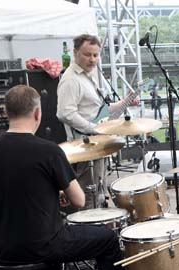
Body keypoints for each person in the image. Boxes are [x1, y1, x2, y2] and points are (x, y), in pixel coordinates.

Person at [0, 85, 128, 270]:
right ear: (38, 113)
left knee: (46, 229)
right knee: (106, 239)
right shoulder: (48, 151)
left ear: (6, 113)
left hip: (3, 250)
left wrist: (19, 197)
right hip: (43, 247)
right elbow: (78, 200)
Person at [57, 34, 139, 209]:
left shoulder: (87, 75)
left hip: (95, 142)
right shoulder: (71, 79)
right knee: (88, 194)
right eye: (87, 54)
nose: (92, 59)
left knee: (98, 191)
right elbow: (64, 113)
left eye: (96, 55)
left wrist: (125, 101)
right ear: (75, 53)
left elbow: (100, 109)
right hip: (84, 145)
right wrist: (93, 129)